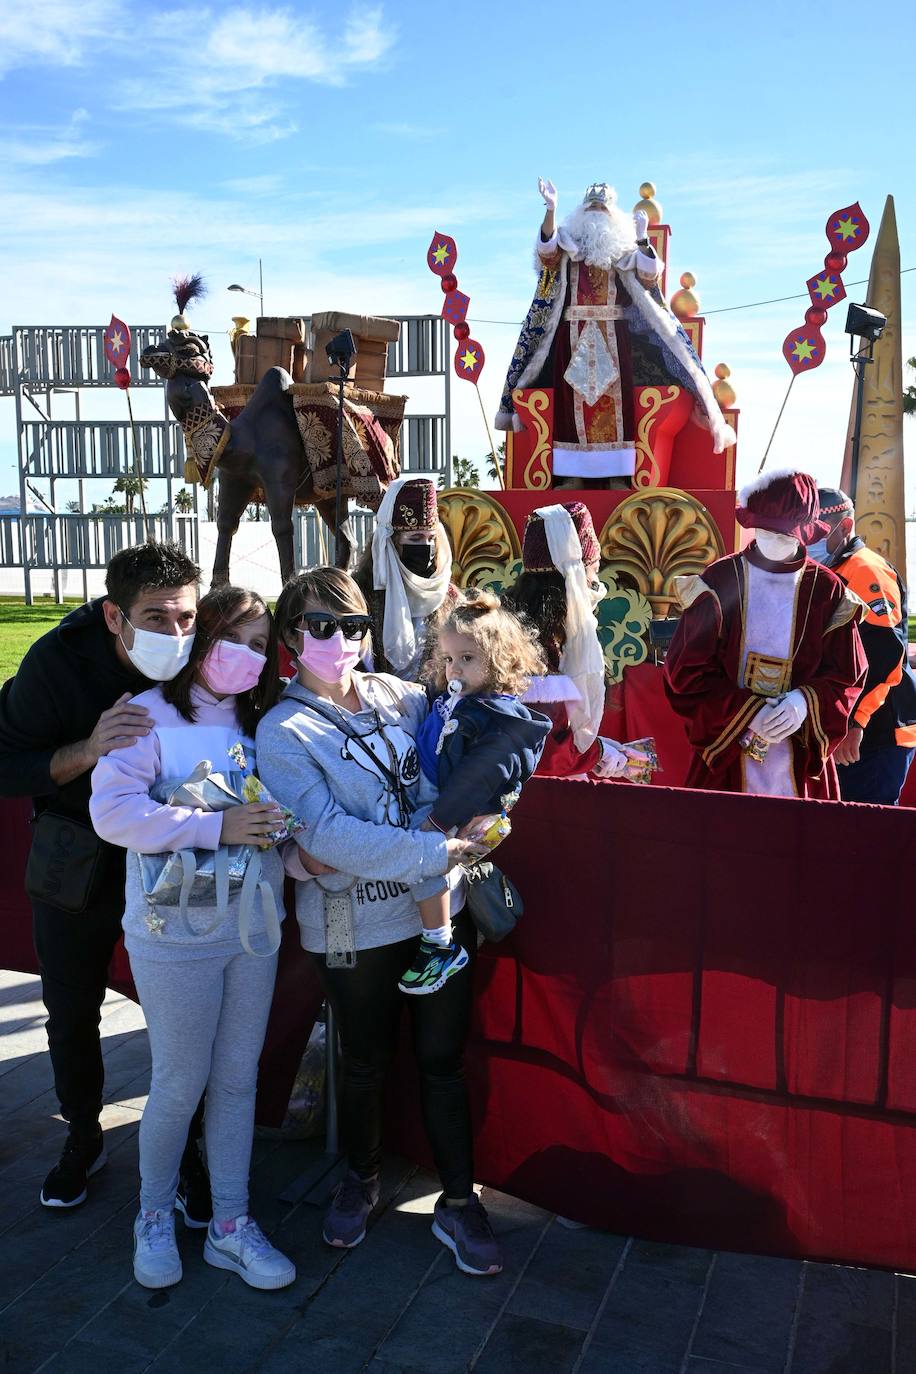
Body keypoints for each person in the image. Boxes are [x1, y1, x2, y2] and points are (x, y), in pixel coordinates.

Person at [256, 567, 504, 1277]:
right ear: (290, 636)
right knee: (360, 1057)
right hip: (343, 920)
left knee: (440, 1058)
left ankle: (459, 1201)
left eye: (355, 626)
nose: (341, 640)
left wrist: (480, 805)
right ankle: (360, 1177)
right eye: (322, 626)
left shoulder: (401, 695)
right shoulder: (282, 729)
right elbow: (325, 835)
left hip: (436, 908)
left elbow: (443, 772)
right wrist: (429, 847)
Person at [90, 586, 295, 1292]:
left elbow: (281, 820)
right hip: (172, 935)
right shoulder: (144, 716)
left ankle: (231, 1225)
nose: (245, 654)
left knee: (238, 1079)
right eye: (232, 636)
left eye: (259, 643)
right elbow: (113, 814)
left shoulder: (268, 723)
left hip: (255, 929)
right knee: (180, 1082)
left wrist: (297, 847)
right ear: (200, 637)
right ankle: (152, 1214)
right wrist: (215, 826)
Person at [0, 541, 213, 1216]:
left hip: (175, 854)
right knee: (70, 1011)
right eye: (156, 619)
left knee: (185, 1011)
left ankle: (187, 1149)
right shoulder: (55, 664)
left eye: (186, 618)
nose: (176, 635)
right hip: (77, 856)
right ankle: (83, 1136)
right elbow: (7, 766)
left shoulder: (206, 656)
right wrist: (90, 750)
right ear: (112, 616)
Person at [495, 179, 734, 487]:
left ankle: (618, 475)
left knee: (616, 407)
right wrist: (551, 210)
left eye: (602, 209)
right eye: (591, 208)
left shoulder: (623, 250)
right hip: (573, 334)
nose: (596, 214)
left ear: (612, 216)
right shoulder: (568, 245)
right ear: (580, 212)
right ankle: (573, 475)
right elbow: (546, 253)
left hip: (613, 336)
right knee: (572, 406)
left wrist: (642, 239)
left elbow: (649, 276)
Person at [663, 469, 867, 797]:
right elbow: (685, 673)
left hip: (799, 757)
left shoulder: (828, 590)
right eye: (766, 532)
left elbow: (847, 674)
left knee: (795, 843)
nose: (774, 542)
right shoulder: (720, 581)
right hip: (729, 754)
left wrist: (804, 703)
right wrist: (747, 712)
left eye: (786, 536)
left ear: (806, 533)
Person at [399, 589, 550, 996]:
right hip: (434, 791)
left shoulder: (497, 716)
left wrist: (436, 820)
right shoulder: (460, 701)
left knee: (423, 858)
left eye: (467, 659)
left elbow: (478, 777)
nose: (454, 669)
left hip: (451, 804)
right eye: (448, 659)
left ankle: (439, 944)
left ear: (498, 660)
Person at [504, 502, 632, 780]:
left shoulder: (551, 630)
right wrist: (596, 753)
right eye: (593, 570)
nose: (596, 583)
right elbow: (543, 751)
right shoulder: (534, 646)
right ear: (572, 574)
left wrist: (595, 750)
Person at [805, 488, 916, 804]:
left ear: (845, 527)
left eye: (816, 532)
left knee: (865, 836)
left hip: (875, 733)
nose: (807, 541)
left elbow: (885, 654)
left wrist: (853, 723)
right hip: (839, 728)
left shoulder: (865, 570)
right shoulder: (824, 570)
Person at [353, 474, 458, 678]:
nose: (426, 547)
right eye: (416, 538)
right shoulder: (360, 593)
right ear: (392, 542)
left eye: (431, 539)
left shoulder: (449, 597)